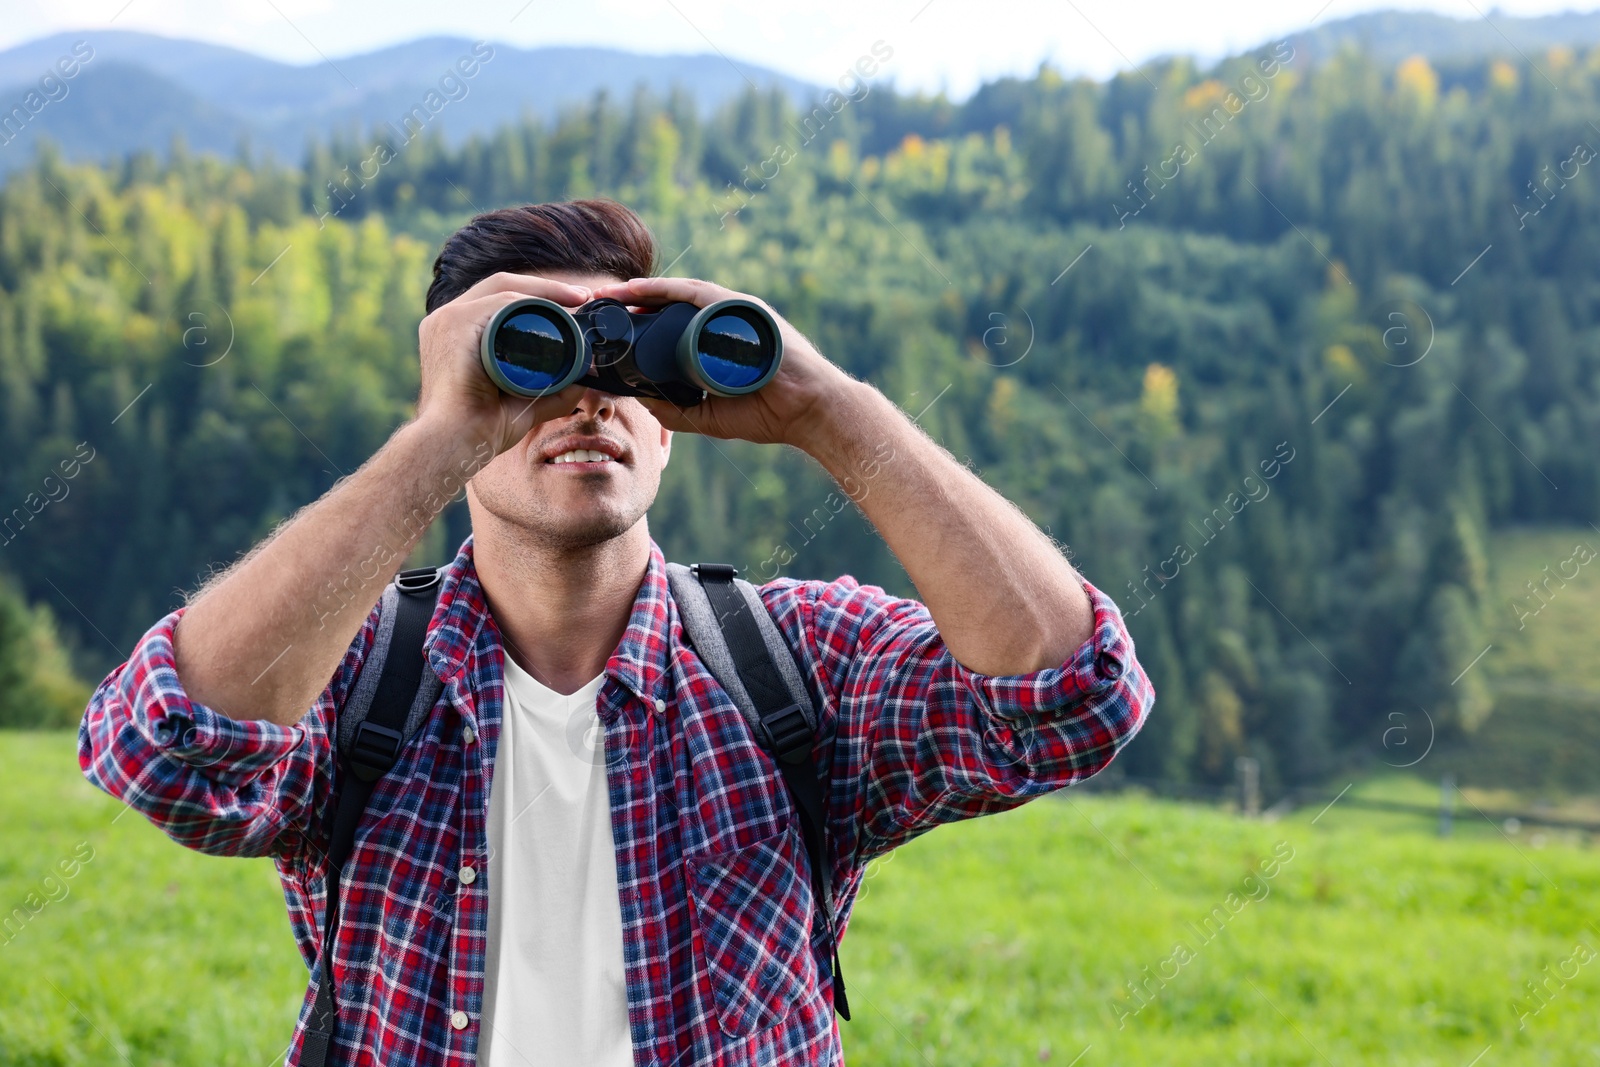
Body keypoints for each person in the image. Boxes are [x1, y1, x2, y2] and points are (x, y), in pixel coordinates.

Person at [78, 198, 1154, 1066]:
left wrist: (824, 406)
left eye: (630, 362)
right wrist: (440, 436)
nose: (589, 398)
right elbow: (173, 754)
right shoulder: (360, 670)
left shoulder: (791, 666)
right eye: (535, 361)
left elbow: (1074, 696)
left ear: (671, 410)